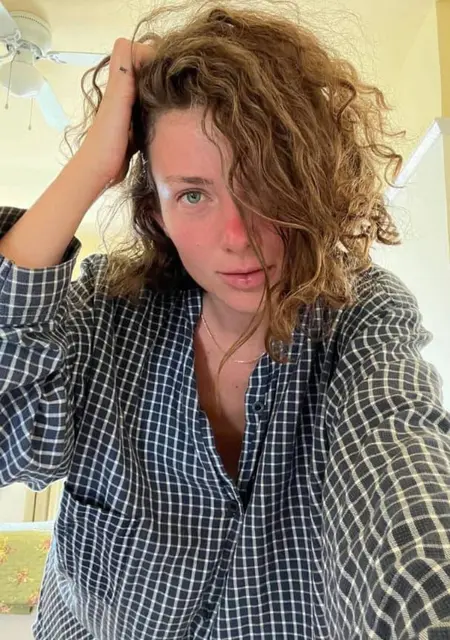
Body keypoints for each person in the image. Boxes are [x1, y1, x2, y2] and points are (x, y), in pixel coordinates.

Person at [0, 2, 449, 639]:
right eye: (192, 194)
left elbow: (400, 482)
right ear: (156, 211)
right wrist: (91, 169)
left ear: (315, 184)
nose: (237, 237)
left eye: (265, 182)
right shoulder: (107, 310)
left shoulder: (361, 317)